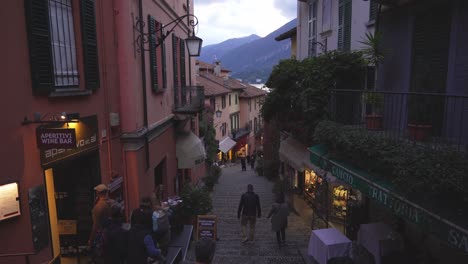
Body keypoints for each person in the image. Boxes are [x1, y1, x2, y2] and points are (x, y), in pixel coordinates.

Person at [128, 198, 164, 264]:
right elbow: (156, 228)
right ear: (149, 204)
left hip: (135, 235)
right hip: (148, 237)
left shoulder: (134, 211)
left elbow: (131, 223)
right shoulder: (152, 213)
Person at [88, 184, 114, 251]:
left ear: (97, 193)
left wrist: (91, 240)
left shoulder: (98, 207)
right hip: (115, 235)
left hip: (102, 237)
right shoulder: (114, 203)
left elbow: (95, 225)